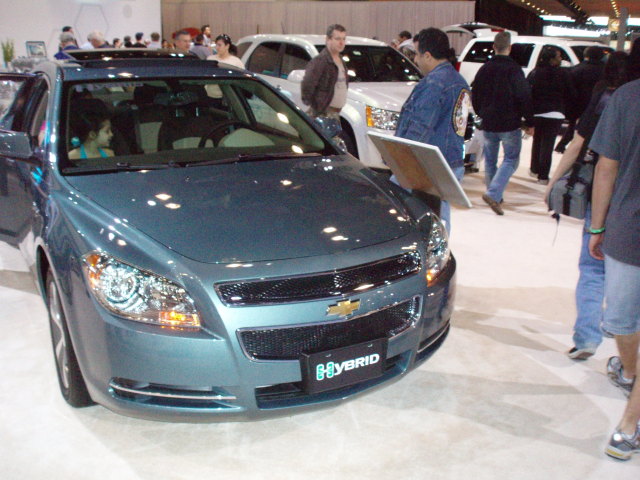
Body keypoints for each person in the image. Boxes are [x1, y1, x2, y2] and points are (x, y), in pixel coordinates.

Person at [544, 52, 629, 360]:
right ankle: (620, 327)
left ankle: (587, 338)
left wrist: (554, 181)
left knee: (594, 267)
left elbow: (579, 143)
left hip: (604, 194)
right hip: (633, 198)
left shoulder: (607, 97)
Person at [588, 77, 640, 461]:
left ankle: (630, 422)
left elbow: (606, 167)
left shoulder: (628, 95)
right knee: (621, 321)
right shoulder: (628, 96)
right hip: (628, 233)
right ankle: (629, 373)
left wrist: (597, 227)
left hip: (627, 230)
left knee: (621, 319)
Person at [395, 27, 470, 233]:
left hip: (428, 167)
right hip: (451, 161)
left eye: (417, 55)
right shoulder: (459, 81)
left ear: (427, 55)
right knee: (440, 219)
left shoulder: (435, 84)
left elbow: (419, 128)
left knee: (426, 221)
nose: (415, 60)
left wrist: (400, 160)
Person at [472, 31, 534, 215]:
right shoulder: (514, 69)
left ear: (494, 47)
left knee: (490, 160)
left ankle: (495, 194)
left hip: (489, 121)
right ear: (510, 47)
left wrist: (481, 112)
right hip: (509, 121)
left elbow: (475, 94)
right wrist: (529, 120)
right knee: (511, 159)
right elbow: (524, 95)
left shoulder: (484, 69)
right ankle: (493, 193)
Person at [527, 46, 576, 184]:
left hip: (537, 112)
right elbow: (571, 93)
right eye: (558, 56)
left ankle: (534, 169)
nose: (560, 59)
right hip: (556, 113)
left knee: (537, 141)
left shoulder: (535, 73)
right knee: (547, 145)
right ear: (552, 59)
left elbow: (528, 92)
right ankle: (543, 177)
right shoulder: (563, 74)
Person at [301, 24, 348, 148]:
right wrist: (317, 106)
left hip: (335, 114)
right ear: (328, 39)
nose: (341, 43)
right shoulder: (321, 61)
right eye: (337, 39)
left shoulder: (341, 61)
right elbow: (308, 84)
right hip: (324, 113)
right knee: (323, 147)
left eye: (343, 39)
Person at [555, 46, 605, 153]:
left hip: (578, 103)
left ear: (586, 55)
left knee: (573, 126)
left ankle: (562, 145)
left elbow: (569, 89)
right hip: (598, 104)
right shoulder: (605, 71)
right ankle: (587, 149)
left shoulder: (577, 69)